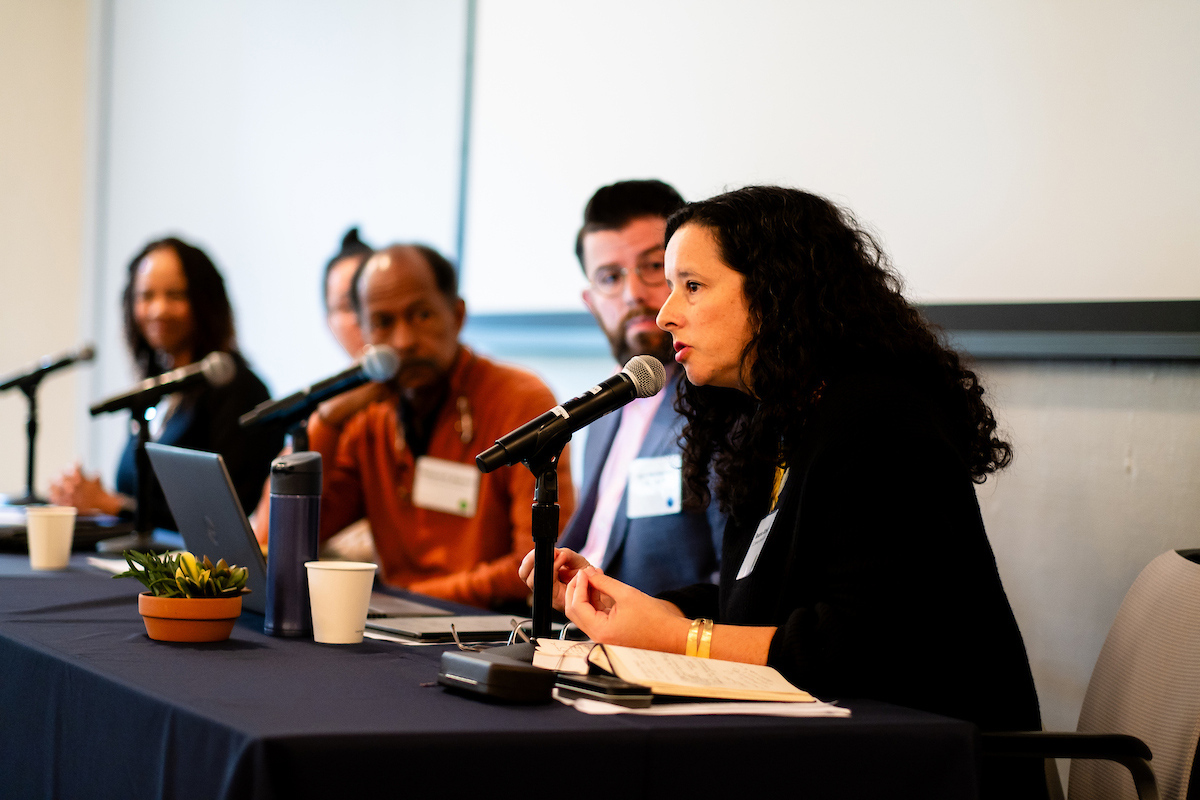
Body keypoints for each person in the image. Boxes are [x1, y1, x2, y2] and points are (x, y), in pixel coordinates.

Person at [521, 186, 1044, 798]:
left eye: (691, 286)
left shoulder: (878, 421)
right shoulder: (777, 420)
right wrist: (626, 602)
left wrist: (672, 637)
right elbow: (757, 602)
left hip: (920, 764)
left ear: (775, 289)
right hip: (828, 746)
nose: (664, 316)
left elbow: (857, 649)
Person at [312, 243, 575, 609]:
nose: (403, 341)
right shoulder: (365, 416)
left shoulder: (519, 399)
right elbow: (288, 538)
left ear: (457, 314)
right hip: (392, 629)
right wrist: (326, 420)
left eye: (421, 315)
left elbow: (538, 563)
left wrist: (406, 600)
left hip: (487, 630)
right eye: (384, 323)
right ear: (364, 332)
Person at [557, 180, 723, 596]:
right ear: (591, 300)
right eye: (610, 277)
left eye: (652, 268)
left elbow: (738, 581)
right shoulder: (602, 403)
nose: (633, 294)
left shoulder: (725, 399)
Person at [50, 237, 281, 531]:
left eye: (175, 295)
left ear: (204, 302)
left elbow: (225, 520)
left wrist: (112, 503)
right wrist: (88, 500)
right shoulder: (155, 394)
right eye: (146, 296)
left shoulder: (240, 391)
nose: (158, 310)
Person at [250, 227, 381, 560]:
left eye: (367, 301)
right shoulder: (338, 409)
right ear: (328, 321)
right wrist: (328, 416)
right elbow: (270, 538)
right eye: (345, 306)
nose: (361, 319)